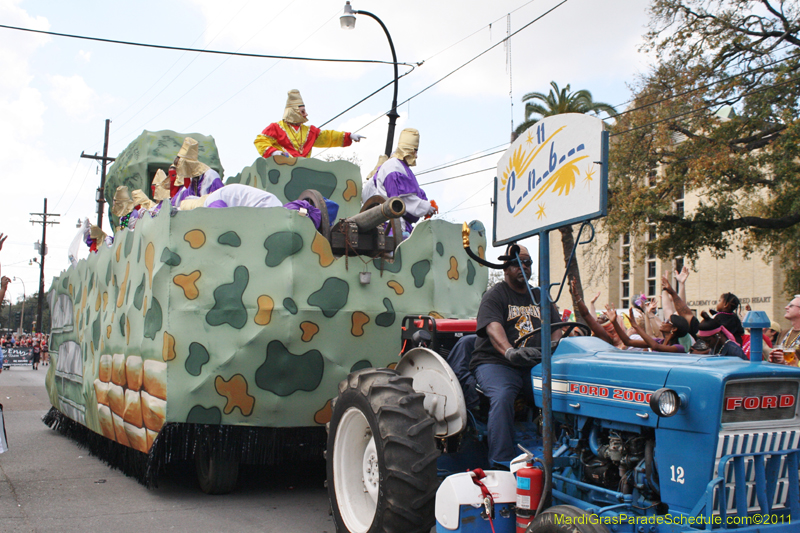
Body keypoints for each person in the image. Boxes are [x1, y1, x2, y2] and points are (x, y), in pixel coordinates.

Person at [469, 244, 561, 466]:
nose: (523, 267)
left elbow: (556, 327)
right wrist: (509, 351)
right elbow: (493, 327)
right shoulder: (495, 295)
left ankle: (562, 450)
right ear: (505, 269)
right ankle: (501, 461)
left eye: (527, 262)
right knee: (502, 395)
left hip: (533, 364)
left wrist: (553, 347)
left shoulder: (540, 296)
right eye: (516, 263)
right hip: (496, 362)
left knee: (559, 391)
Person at [361, 128, 438, 234]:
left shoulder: (400, 167)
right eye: (415, 151)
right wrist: (425, 207)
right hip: (390, 226)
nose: (416, 156)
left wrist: (425, 204)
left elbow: (413, 193)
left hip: (399, 225)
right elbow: (400, 200)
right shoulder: (393, 167)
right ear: (408, 150)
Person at [254, 89, 364, 159]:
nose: (306, 114)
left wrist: (348, 135)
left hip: (303, 170)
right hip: (283, 170)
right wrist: (274, 153)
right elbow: (260, 141)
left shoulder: (309, 131)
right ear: (293, 111)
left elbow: (327, 136)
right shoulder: (276, 128)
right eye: (302, 112)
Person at [171, 137, 224, 208]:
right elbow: (177, 202)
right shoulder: (191, 180)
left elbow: (219, 199)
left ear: (189, 165)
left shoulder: (211, 176)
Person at [769, 295, 800, 366]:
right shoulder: (784, 333)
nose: (786, 307)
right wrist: (773, 358)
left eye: (791, 306)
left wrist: (790, 362)